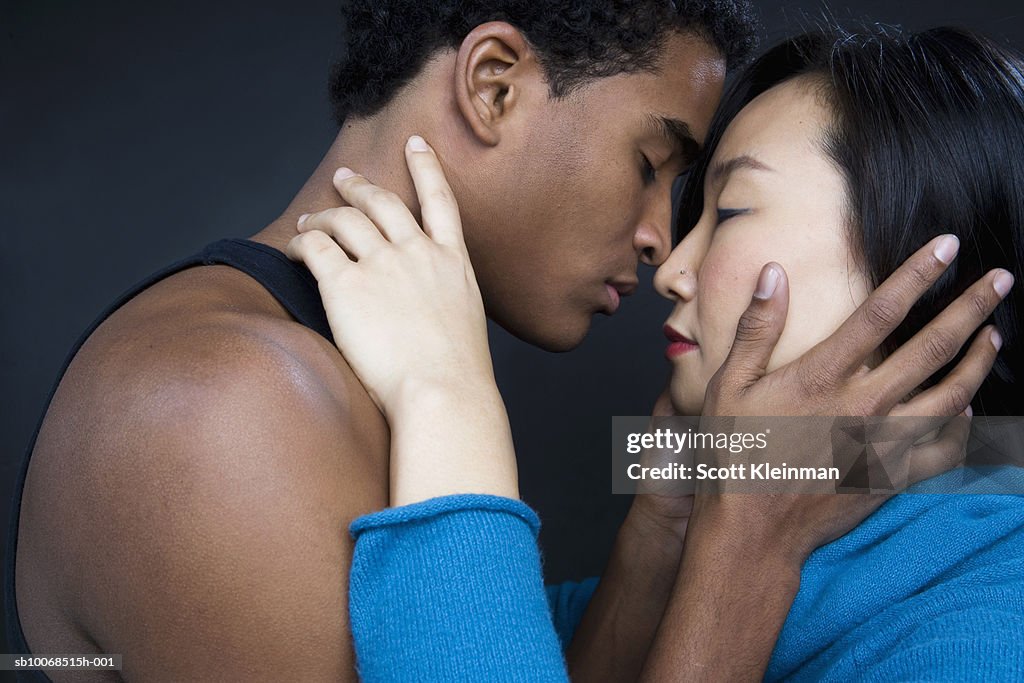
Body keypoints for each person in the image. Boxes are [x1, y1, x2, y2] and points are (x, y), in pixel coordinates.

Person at [0, 1, 1003, 679]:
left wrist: (686, 508)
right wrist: (455, 404)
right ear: (492, 87)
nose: (664, 251)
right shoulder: (226, 408)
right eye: (653, 163)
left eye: (717, 207)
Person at [287, 25, 1023, 680]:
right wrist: (661, 530)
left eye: (729, 210)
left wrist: (447, 395)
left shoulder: (991, 625)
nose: (670, 269)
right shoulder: (680, 544)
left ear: (924, 268)